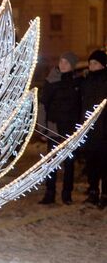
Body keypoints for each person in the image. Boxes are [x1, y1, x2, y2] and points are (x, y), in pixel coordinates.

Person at [38, 52, 82, 205]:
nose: (63, 64)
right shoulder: (51, 81)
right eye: (61, 61)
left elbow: (81, 106)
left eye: (66, 62)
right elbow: (43, 105)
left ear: (72, 65)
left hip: (71, 128)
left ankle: (66, 194)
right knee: (51, 163)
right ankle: (49, 193)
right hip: (54, 128)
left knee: (69, 164)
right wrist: (42, 128)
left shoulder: (77, 82)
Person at [81, 49, 107, 208]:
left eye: (95, 63)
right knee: (91, 164)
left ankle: (105, 194)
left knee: (105, 164)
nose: (91, 66)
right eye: (90, 63)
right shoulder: (87, 81)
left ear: (103, 65)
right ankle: (92, 191)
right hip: (89, 130)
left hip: (104, 130)